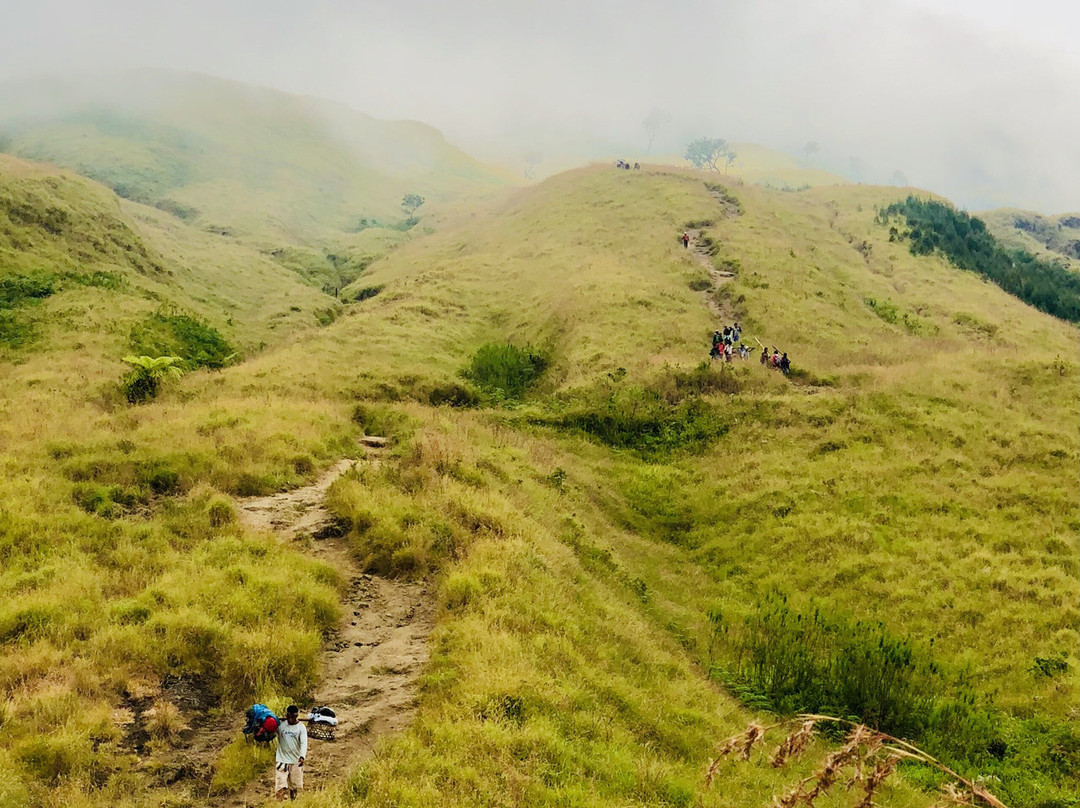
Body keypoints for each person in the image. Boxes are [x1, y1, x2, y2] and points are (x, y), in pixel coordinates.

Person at [275, 705, 308, 802]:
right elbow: (271, 732)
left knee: (294, 786)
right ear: (286, 715)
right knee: (280, 786)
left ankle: (293, 802)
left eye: (292, 717)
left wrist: (302, 756)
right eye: (288, 716)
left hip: (295, 760)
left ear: (296, 716)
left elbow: (303, 742)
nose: (290, 719)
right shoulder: (281, 726)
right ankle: (280, 804)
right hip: (282, 760)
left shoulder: (301, 728)